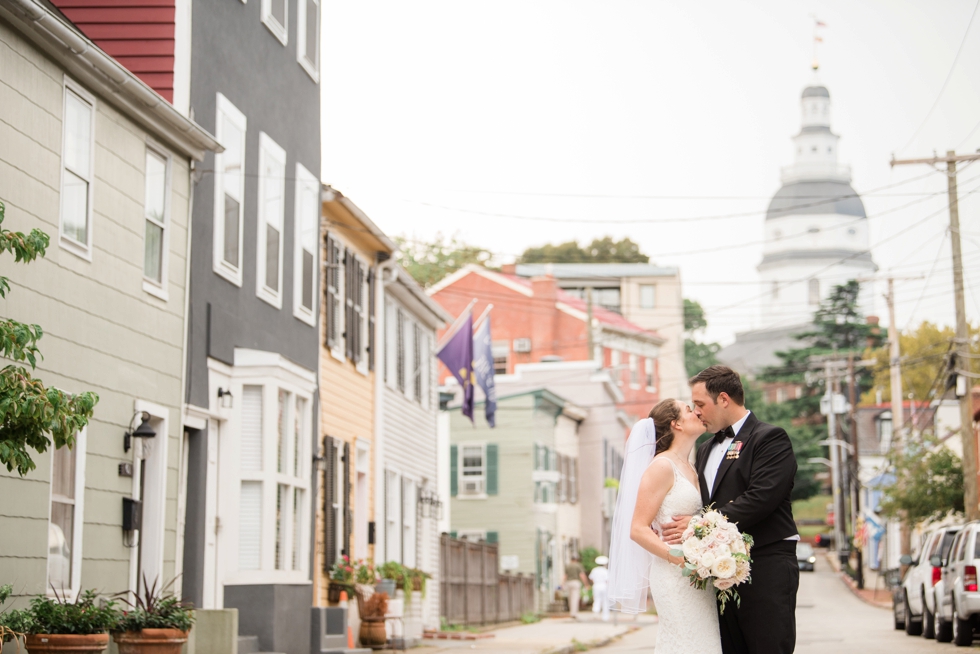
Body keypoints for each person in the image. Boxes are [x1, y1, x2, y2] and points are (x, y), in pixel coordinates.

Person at [662, 365, 799, 654]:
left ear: (723, 399)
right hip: (719, 573)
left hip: (766, 565)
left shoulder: (770, 438)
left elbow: (761, 498)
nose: (696, 412)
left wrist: (699, 524)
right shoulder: (706, 448)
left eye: (700, 404)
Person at [608, 401, 723, 653]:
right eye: (689, 409)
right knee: (686, 643)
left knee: (705, 643)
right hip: (675, 574)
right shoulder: (661, 466)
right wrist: (680, 559)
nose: (697, 412)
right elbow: (637, 528)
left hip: (698, 575)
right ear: (676, 424)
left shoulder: (692, 467)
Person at [589, 556, 610, 621]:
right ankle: (605, 617)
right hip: (604, 585)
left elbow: (591, 578)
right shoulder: (606, 571)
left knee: (597, 599)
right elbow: (607, 580)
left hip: (596, 585)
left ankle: (596, 612)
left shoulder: (594, 570)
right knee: (605, 601)